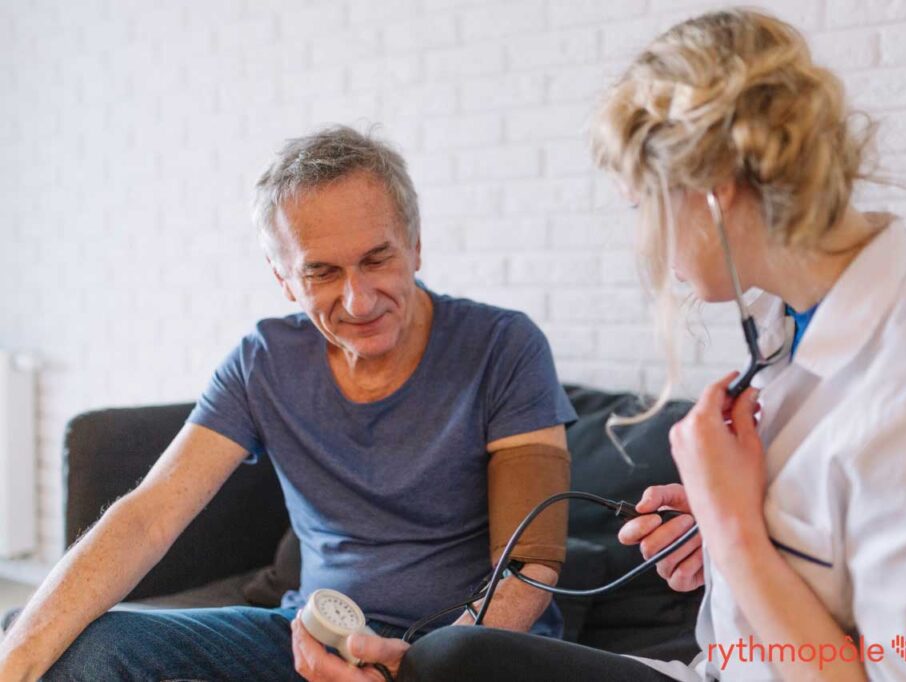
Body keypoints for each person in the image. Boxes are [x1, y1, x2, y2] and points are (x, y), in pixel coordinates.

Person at [389, 8, 906, 681]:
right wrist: (732, 530)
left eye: (644, 208)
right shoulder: (798, 324)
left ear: (714, 195)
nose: (648, 246)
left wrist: (734, 530)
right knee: (448, 660)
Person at [0, 126, 577, 681]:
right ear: (284, 279)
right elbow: (148, 517)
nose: (357, 299)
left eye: (377, 259)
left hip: (469, 648)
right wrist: (17, 658)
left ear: (416, 245)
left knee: (456, 664)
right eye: (322, 272)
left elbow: (529, 565)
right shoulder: (263, 362)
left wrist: (416, 671)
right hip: (308, 644)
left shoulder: (505, 346)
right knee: (60, 642)